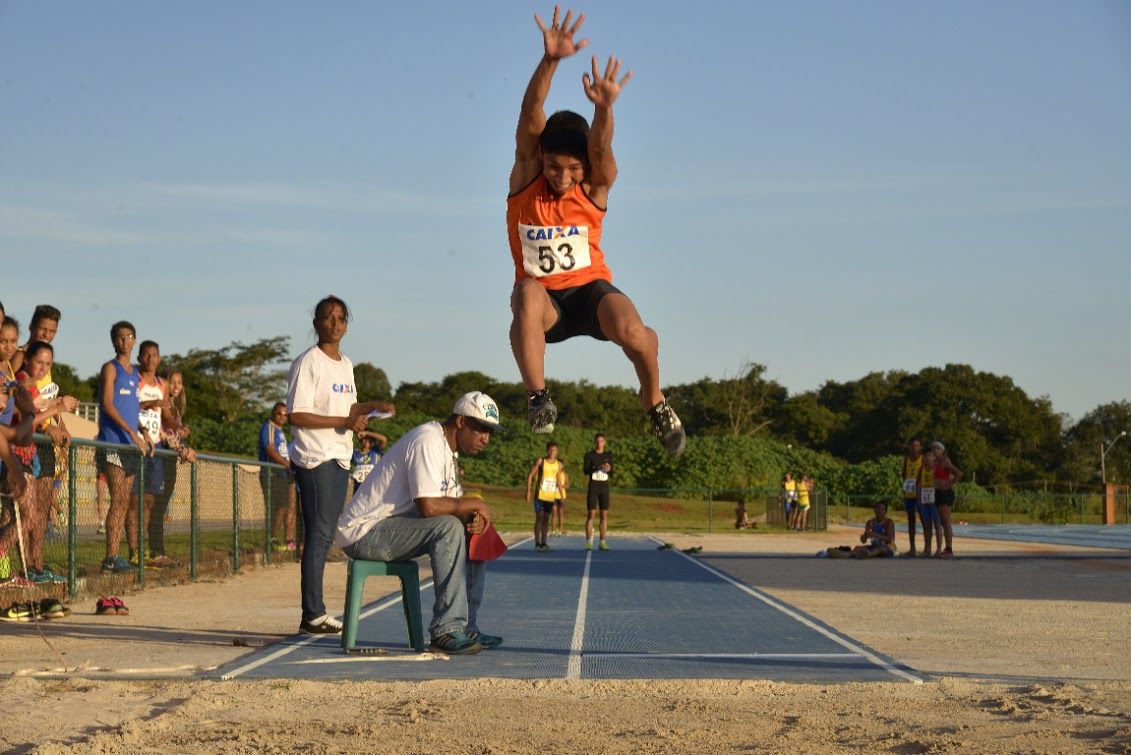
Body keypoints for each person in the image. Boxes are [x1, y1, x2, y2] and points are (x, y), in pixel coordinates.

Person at [506, 6, 685, 455]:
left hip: (589, 292)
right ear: (540, 159)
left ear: (584, 168)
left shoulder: (594, 188)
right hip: (545, 306)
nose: (560, 176)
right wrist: (550, 61)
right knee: (526, 293)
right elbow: (531, 113)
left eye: (571, 168)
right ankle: (538, 397)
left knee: (637, 335)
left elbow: (602, 146)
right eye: (553, 166)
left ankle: (655, 400)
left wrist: (604, 107)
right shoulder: (526, 177)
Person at [335, 391, 502, 655]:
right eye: (481, 428)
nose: (486, 438)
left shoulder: (448, 454)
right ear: (460, 422)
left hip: (394, 527)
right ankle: (446, 629)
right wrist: (476, 503)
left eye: (490, 432)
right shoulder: (428, 440)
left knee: (470, 529)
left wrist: (474, 517)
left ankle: (467, 626)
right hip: (364, 532)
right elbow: (430, 507)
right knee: (449, 526)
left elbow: (449, 507)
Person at [287, 295, 393, 635]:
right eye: (328, 317)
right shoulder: (308, 363)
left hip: (339, 455)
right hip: (315, 456)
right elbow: (297, 414)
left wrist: (372, 407)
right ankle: (313, 613)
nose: (335, 323)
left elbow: (348, 411)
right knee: (318, 534)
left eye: (340, 318)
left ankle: (314, 611)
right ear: (316, 323)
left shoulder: (345, 364)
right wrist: (343, 421)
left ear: (346, 325)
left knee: (324, 532)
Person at [12, 341, 76, 583]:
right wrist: (58, 409)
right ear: (27, 359)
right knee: (21, 516)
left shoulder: (36, 385)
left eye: (47, 364)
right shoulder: (20, 380)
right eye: (39, 362)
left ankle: (33, 567)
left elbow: (39, 409)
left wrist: (60, 409)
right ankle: (24, 567)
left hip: (28, 453)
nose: (42, 368)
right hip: (17, 453)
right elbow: (30, 417)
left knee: (33, 514)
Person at [97, 321, 152, 574]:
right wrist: (131, 432)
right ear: (113, 341)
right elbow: (107, 404)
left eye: (129, 336)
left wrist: (143, 432)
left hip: (131, 446)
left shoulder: (134, 374)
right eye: (120, 337)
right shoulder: (111, 368)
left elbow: (132, 410)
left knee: (126, 502)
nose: (125, 341)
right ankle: (111, 556)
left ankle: (118, 555)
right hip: (113, 442)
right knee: (118, 500)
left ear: (134, 339)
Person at [147, 369, 194, 565]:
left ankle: (158, 551)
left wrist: (181, 441)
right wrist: (183, 449)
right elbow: (162, 434)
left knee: (161, 508)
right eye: (172, 382)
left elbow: (173, 435)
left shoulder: (174, 408)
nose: (176, 386)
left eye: (179, 382)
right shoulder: (162, 406)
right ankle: (155, 552)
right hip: (160, 459)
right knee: (157, 508)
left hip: (170, 460)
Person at [129, 340, 168, 567]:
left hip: (156, 447)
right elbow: (130, 405)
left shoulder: (162, 384)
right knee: (134, 501)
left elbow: (162, 414)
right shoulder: (134, 379)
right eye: (146, 354)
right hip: (136, 444)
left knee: (150, 501)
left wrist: (169, 433)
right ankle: (134, 550)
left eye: (154, 355)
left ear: (159, 359)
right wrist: (152, 402)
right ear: (140, 357)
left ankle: (143, 547)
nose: (150, 359)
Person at [258, 402, 297, 553]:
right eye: (279, 414)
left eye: (285, 415)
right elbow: (269, 449)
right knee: (278, 506)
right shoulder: (269, 427)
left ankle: (273, 537)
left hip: (281, 474)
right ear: (273, 414)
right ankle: (271, 538)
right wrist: (286, 464)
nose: (282, 417)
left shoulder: (280, 431)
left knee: (284, 506)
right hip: (271, 472)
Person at [527, 440, 565, 552]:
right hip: (539, 495)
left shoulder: (558, 464)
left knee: (546, 519)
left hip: (550, 496)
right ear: (547, 451)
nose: (553, 452)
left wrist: (562, 497)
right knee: (539, 517)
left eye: (555, 450)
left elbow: (558, 481)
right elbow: (531, 475)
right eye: (551, 450)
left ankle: (544, 543)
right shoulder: (541, 461)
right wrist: (528, 491)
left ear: (557, 451)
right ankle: (537, 543)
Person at [825, 502, 895, 559]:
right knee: (858, 548)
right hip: (874, 546)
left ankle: (867, 554)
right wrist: (864, 536)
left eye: (883, 509)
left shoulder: (888, 522)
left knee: (880, 548)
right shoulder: (870, 522)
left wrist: (875, 534)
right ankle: (846, 554)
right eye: (878, 508)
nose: (880, 511)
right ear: (874, 509)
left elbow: (890, 538)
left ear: (885, 512)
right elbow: (863, 541)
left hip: (887, 548)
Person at [931, 442, 963, 559]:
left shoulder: (945, 462)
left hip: (945, 493)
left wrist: (949, 484)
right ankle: (942, 548)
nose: (934, 450)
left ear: (942, 451)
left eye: (937, 448)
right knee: (939, 522)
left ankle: (949, 548)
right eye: (933, 448)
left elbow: (959, 473)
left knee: (945, 520)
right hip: (936, 493)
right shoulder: (934, 463)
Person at [582, 433, 612, 551]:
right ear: (595, 443)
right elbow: (585, 471)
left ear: (605, 443)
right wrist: (597, 467)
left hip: (604, 487)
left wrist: (608, 469)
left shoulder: (608, 455)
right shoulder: (589, 455)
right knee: (591, 514)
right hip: (593, 487)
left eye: (601, 441)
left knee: (604, 515)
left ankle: (602, 542)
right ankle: (589, 541)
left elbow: (612, 470)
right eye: (597, 441)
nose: (599, 443)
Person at [899, 439, 925, 557]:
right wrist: (905, 487)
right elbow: (904, 474)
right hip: (909, 493)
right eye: (913, 445)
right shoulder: (907, 459)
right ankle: (912, 548)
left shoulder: (923, 459)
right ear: (909, 447)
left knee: (924, 520)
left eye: (917, 445)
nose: (914, 448)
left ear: (920, 447)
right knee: (911, 520)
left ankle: (927, 548)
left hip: (920, 493)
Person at [917, 446, 942, 557]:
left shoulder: (936, 469)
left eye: (930, 456)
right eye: (926, 456)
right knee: (926, 526)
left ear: (934, 458)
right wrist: (919, 500)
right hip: (924, 501)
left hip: (934, 502)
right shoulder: (921, 470)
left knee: (937, 525)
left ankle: (939, 550)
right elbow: (918, 485)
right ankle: (927, 549)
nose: (927, 458)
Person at [350, 430, 387, 495]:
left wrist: (367, 433)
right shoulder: (354, 453)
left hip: (374, 488)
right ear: (361, 439)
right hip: (358, 489)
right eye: (365, 438)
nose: (368, 441)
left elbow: (384, 439)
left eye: (370, 439)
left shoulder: (376, 451)